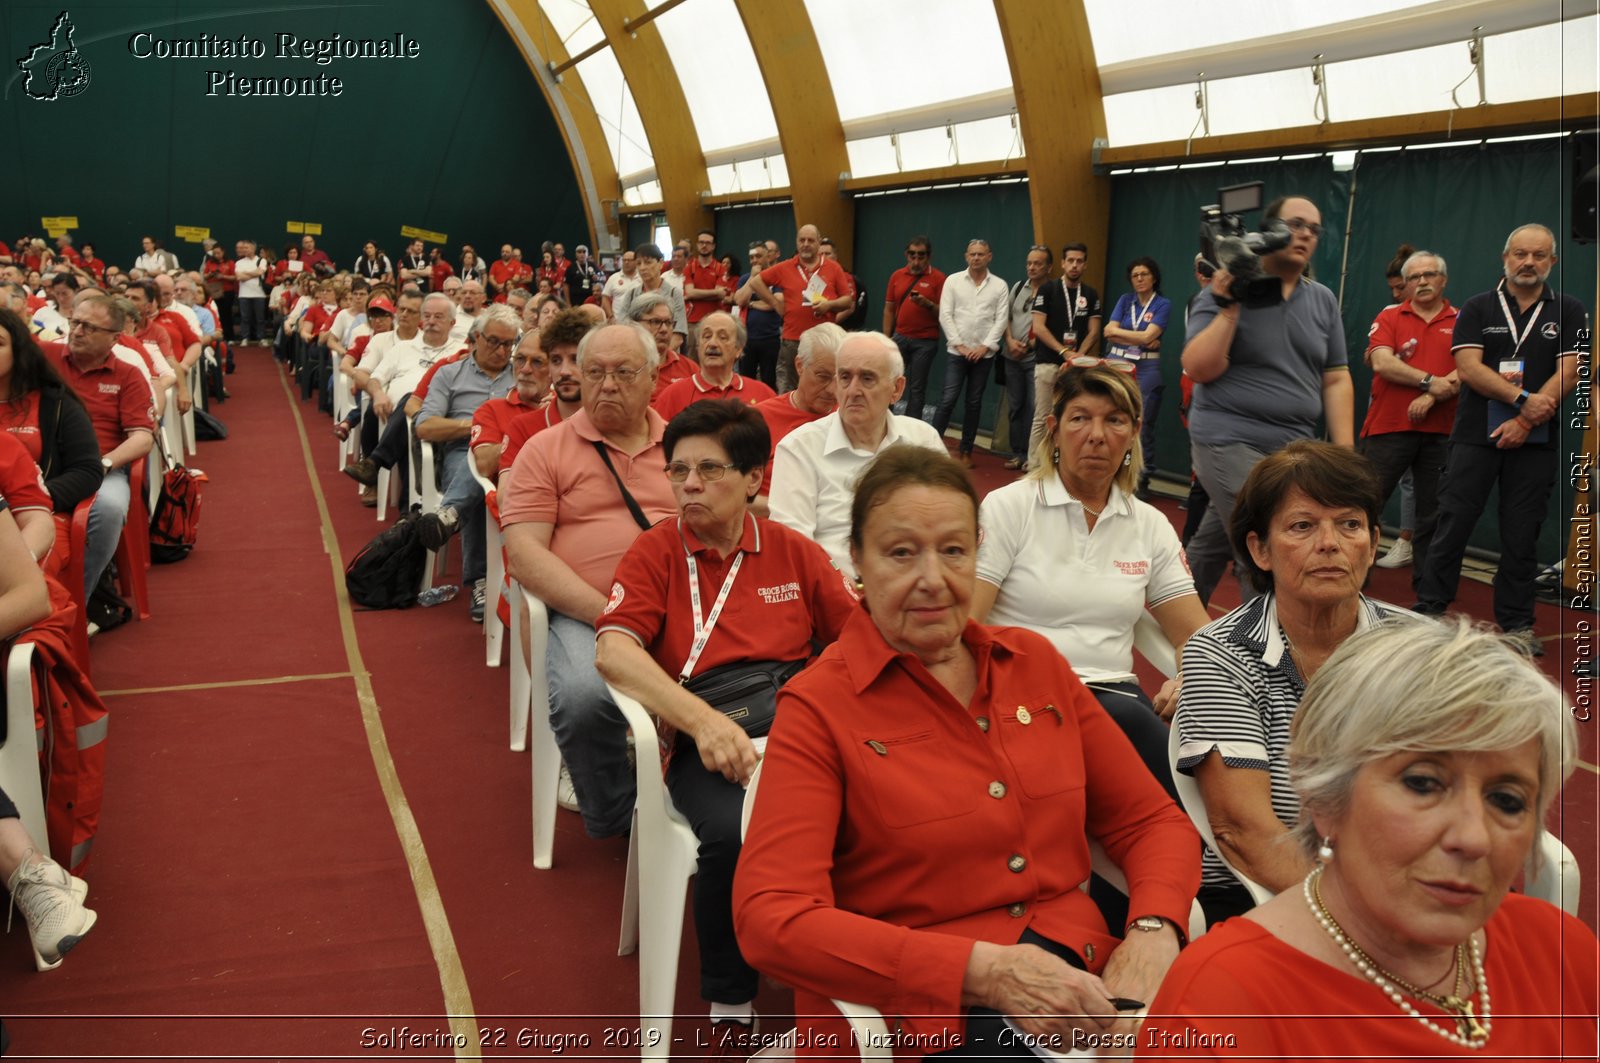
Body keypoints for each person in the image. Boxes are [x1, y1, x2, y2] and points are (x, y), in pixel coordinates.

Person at [735, 445, 1201, 1056]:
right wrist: (987, 972)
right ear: (857, 562)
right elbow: (771, 918)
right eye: (901, 553)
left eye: (954, 550)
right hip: (929, 1013)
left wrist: (1153, 930)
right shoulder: (819, 707)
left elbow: (1150, 820)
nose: (932, 578)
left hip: (1083, 973)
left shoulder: (1035, 665)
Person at [1143, 617, 1596, 1060]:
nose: (1473, 838)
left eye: (1508, 800)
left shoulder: (1561, 950)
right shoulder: (1219, 1007)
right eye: (1423, 784)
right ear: (1323, 795)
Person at [595, 399, 856, 1044]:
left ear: (754, 478)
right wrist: (704, 723)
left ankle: (847, 972)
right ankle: (732, 1003)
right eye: (678, 470)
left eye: (709, 469)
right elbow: (613, 651)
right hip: (703, 729)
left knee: (878, 811)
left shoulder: (794, 552)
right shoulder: (656, 550)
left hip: (798, 719)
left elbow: (856, 642)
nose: (689, 484)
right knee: (736, 835)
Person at [1175, 440, 1405, 926]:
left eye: (1350, 524)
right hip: (1266, 893)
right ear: (1260, 549)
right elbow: (1247, 833)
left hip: (1407, 879)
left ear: (1372, 541)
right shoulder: (1222, 655)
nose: (1330, 543)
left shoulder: (1419, 649)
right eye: (1303, 526)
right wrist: (1372, 913)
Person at [975, 361, 1209, 796]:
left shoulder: (1150, 525)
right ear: (1054, 429)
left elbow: (1195, 638)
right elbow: (966, 624)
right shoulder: (1008, 508)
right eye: (1080, 418)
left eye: (1114, 420)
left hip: (1112, 694)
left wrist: (1187, 680)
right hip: (1018, 694)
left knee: (1198, 779)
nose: (1097, 435)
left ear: (1134, 433)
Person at [500, 321, 677, 839]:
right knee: (582, 697)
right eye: (594, 372)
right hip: (588, 611)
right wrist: (612, 615)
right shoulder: (545, 449)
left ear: (653, 377)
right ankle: (618, 815)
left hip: (684, 603)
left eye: (624, 372)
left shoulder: (686, 445)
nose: (607, 385)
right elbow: (525, 554)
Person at [1414, 224, 1584, 656]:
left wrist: (1525, 420)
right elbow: (1469, 368)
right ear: (1505, 258)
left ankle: (1518, 624)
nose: (1529, 262)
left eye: (1539, 255)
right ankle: (1431, 610)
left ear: (1553, 262)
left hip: (1536, 440)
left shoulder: (1568, 309)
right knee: (1452, 522)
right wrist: (1523, 400)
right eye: (1521, 254)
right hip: (1474, 435)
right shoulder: (1477, 307)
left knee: (1521, 534)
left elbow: (1568, 371)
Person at [1181, 195, 1354, 606]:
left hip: (1292, 446)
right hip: (1228, 436)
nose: (1305, 235)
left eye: (1314, 229)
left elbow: (1335, 377)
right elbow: (1197, 368)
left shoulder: (1323, 299)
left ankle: (1171, 613)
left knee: (1214, 541)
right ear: (1269, 231)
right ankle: (1265, 656)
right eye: (1295, 224)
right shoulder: (1225, 290)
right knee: (1264, 548)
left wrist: (1346, 453)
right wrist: (1229, 309)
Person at [768, 332, 945, 577]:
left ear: (897, 389)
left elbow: (949, 524)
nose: (853, 390)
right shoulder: (799, 448)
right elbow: (792, 549)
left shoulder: (923, 440)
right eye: (845, 377)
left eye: (867, 378)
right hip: (834, 596)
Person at [1358, 250, 1459, 595]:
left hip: (1442, 432)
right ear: (1406, 284)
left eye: (1430, 275)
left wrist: (1432, 397)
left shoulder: (1462, 319)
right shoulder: (1389, 316)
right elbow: (1383, 363)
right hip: (1388, 428)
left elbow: (1471, 367)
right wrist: (1431, 382)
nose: (1423, 282)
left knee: (1435, 516)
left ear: (1443, 280)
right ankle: (1351, 584)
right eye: (1415, 277)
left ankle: (1429, 597)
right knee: (1363, 505)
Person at [40, 294, 154, 597]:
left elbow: (142, 437)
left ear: (114, 338)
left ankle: (75, 601)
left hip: (102, 468)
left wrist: (104, 465)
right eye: (74, 322)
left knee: (110, 508)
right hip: (41, 465)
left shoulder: (128, 375)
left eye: (89, 327)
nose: (76, 332)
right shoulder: (44, 358)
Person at [414, 306, 518, 623]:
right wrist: (472, 427)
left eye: (508, 344)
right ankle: (482, 581)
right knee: (479, 478)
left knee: (484, 469)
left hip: (512, 451)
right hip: (462, 450)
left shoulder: (521, 374)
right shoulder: (450, 374)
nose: (502, 351)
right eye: (494, 342)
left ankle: (449, 515)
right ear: (475, 338)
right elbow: (424, 426)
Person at [0, 309, 102, 521]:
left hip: (37, 516)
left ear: (18, 352)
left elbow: (87, 471)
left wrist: (34, 500)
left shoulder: (55, 404)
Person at [739, 224, 855, 394]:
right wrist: (775, 303)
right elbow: (757, 282)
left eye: (810, 240)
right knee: (793, 387)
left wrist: (829, 305)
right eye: (802, 240)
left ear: (818, 243)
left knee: (826, 385)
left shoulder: (833, 267)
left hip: (824, 340)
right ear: (797, 242)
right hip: (793, 340)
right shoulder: (786, 267)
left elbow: (847, 300)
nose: (806, 244)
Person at [932, 240, 1009, 468]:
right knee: (948, 399)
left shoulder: (999, 286)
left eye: (981, 254)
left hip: (983, 356)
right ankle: (931, 448)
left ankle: (966, 451)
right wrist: (960, 346)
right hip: (957, 352)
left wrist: (985, 347)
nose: (976, 258)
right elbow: (946, 315)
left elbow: (1001, 319)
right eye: (973, 254)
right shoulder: (953, 281)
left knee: (974, 403)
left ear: (989, 257)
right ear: (966, 256)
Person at [752, 322, 842, 514]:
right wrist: (798, 510)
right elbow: (732, 496)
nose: (833, 390)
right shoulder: (759, 419)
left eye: (842, 378)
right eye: (823, 376)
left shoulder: (851, 418)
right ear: (800, 366)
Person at [1102, 257, 1172, 498]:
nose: (1140, 279)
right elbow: (1107, 332)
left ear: (1154, 277)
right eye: (1135, 275)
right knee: (1110, 419)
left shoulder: (1162, 304)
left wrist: (1122, 334)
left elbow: (1141, 336)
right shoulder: (1125, 300)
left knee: (1142, 426)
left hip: (1146, 370)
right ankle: (1110, 471)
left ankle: (1141, 478)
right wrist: (1139, 336)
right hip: (1116, 366)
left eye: (1144, 274)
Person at [1030, 243, 1103, 458]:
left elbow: (1094, 331)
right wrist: (1064, 352)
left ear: (1085, 265)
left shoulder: (1090, 294)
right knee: (1043, 416)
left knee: (1071, 416)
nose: (1074, 265)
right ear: (1062, 263)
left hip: (1076, 367)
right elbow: (1038, 327)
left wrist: (1078, 356)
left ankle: (1061, 463)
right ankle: (1034, 465)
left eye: (1079, 261)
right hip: (1048, 362)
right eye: (1070, 260)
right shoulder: (1048, 289)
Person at [651, 310, 774, 422]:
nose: (713, 343)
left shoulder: (763, 394)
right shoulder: (673, 395)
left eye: (722, 337)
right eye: (707, 336)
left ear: (738, 349)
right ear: (698, 346)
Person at [880, 235, 946, 424]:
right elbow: (889, 309)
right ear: (906, 255)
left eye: (921, 256)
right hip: (899, 337)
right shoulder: (897, 276)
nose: (916, 260)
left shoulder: (939, 279)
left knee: (916, 388)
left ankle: (911, 429)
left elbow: (945, 313)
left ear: (929, 256)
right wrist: (887, 339)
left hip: (925, 341)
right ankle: (884, 421)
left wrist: (927, 304)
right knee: (890, 380)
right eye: (912, 255)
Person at [999, 245, 1048, 469]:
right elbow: (1006, 317)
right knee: (1015, 406)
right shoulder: (1018, 288)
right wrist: (1009, 341)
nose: (1032, 267)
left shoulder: (1053, 291)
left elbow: (1051, 326)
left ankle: (1032, 456)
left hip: (1035, 359)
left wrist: (1028, 346)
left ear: (1049, 267)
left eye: (1038, 263)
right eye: (1029, 263)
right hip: (1011, 357)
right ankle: (1017, 452)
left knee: (1034, 408)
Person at [612, 245, 687, 351]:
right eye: (639, 263)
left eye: (648, 262)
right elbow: (622, 328)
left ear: (660, 263)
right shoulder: (632, 294)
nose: (642, 268)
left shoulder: (674, 294)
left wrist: (660, 358)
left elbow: (678, 336)